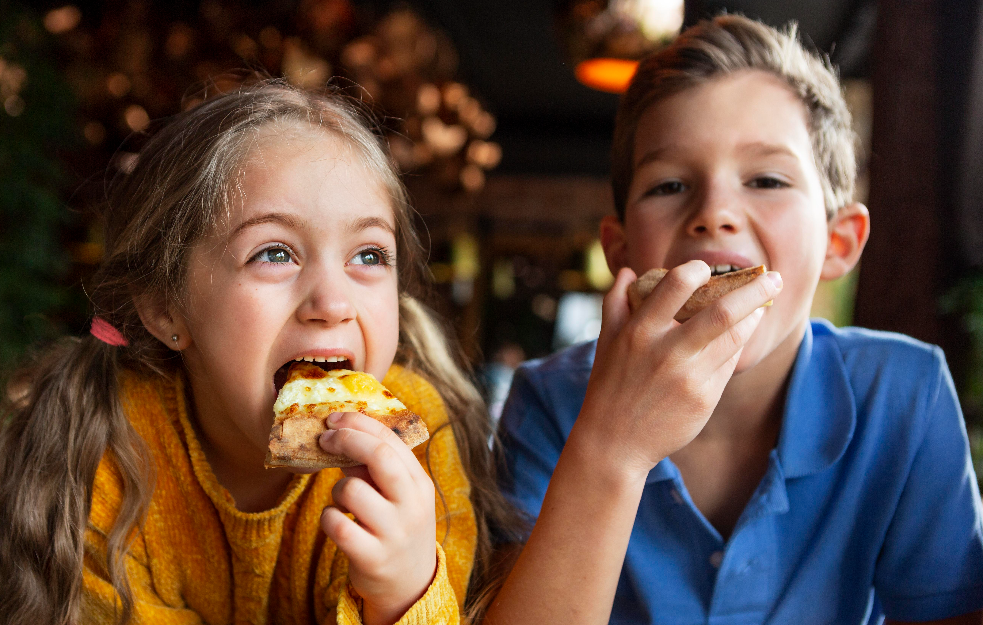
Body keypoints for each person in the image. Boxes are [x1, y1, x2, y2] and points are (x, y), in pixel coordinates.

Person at [490, 15, 983, 625]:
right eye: (670, 184)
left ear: (839, 242)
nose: (715, 211)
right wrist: (613, 446)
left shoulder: (905, 392)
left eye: (767, 179)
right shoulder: (547, 402)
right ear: (620, 251)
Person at [0, 81, 519, 625]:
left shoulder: (419, 443)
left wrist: (403, 596)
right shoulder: (104, 452)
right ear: (166, 308)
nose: (333, 303)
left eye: (368, 255)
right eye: (274, 253)